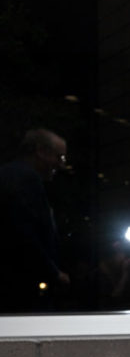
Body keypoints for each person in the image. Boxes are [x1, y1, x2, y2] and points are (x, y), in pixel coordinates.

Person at [0, 128, 70, 311]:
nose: (61, 165)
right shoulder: (26, 179)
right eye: (59, 157)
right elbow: (23, 234)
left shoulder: (9, 175)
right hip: (22, 288)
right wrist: (54, 273)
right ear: (41, 151)